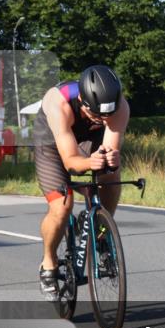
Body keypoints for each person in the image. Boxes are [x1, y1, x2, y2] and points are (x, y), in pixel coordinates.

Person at [33, 65, 129, 301]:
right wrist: (88, 162)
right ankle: (48, 263)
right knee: (62, 206)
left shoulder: (119, 107)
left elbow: (109, 150)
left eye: (107, 115)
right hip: (52, 142)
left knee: (110, 175)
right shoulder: (59, 103)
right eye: (97, 115)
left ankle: (101, 234)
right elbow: (71, 162)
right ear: (81, 102)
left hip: (88, 138)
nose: (103, 119)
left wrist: (110, 160)